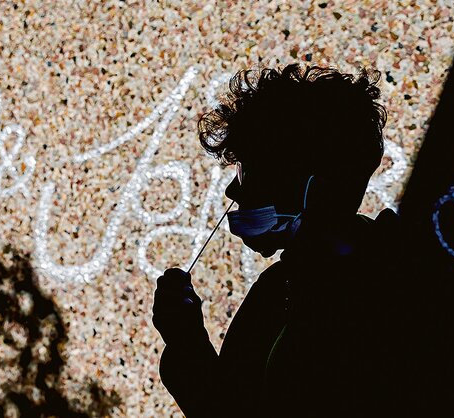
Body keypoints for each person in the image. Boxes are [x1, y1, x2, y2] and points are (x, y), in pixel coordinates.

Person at [152, 64, 413, 417]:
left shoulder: (383, 303)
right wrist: (186, 341)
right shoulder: (278, 288)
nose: (233, 189)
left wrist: (185, 344)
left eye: (249, 171)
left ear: (315, 190)